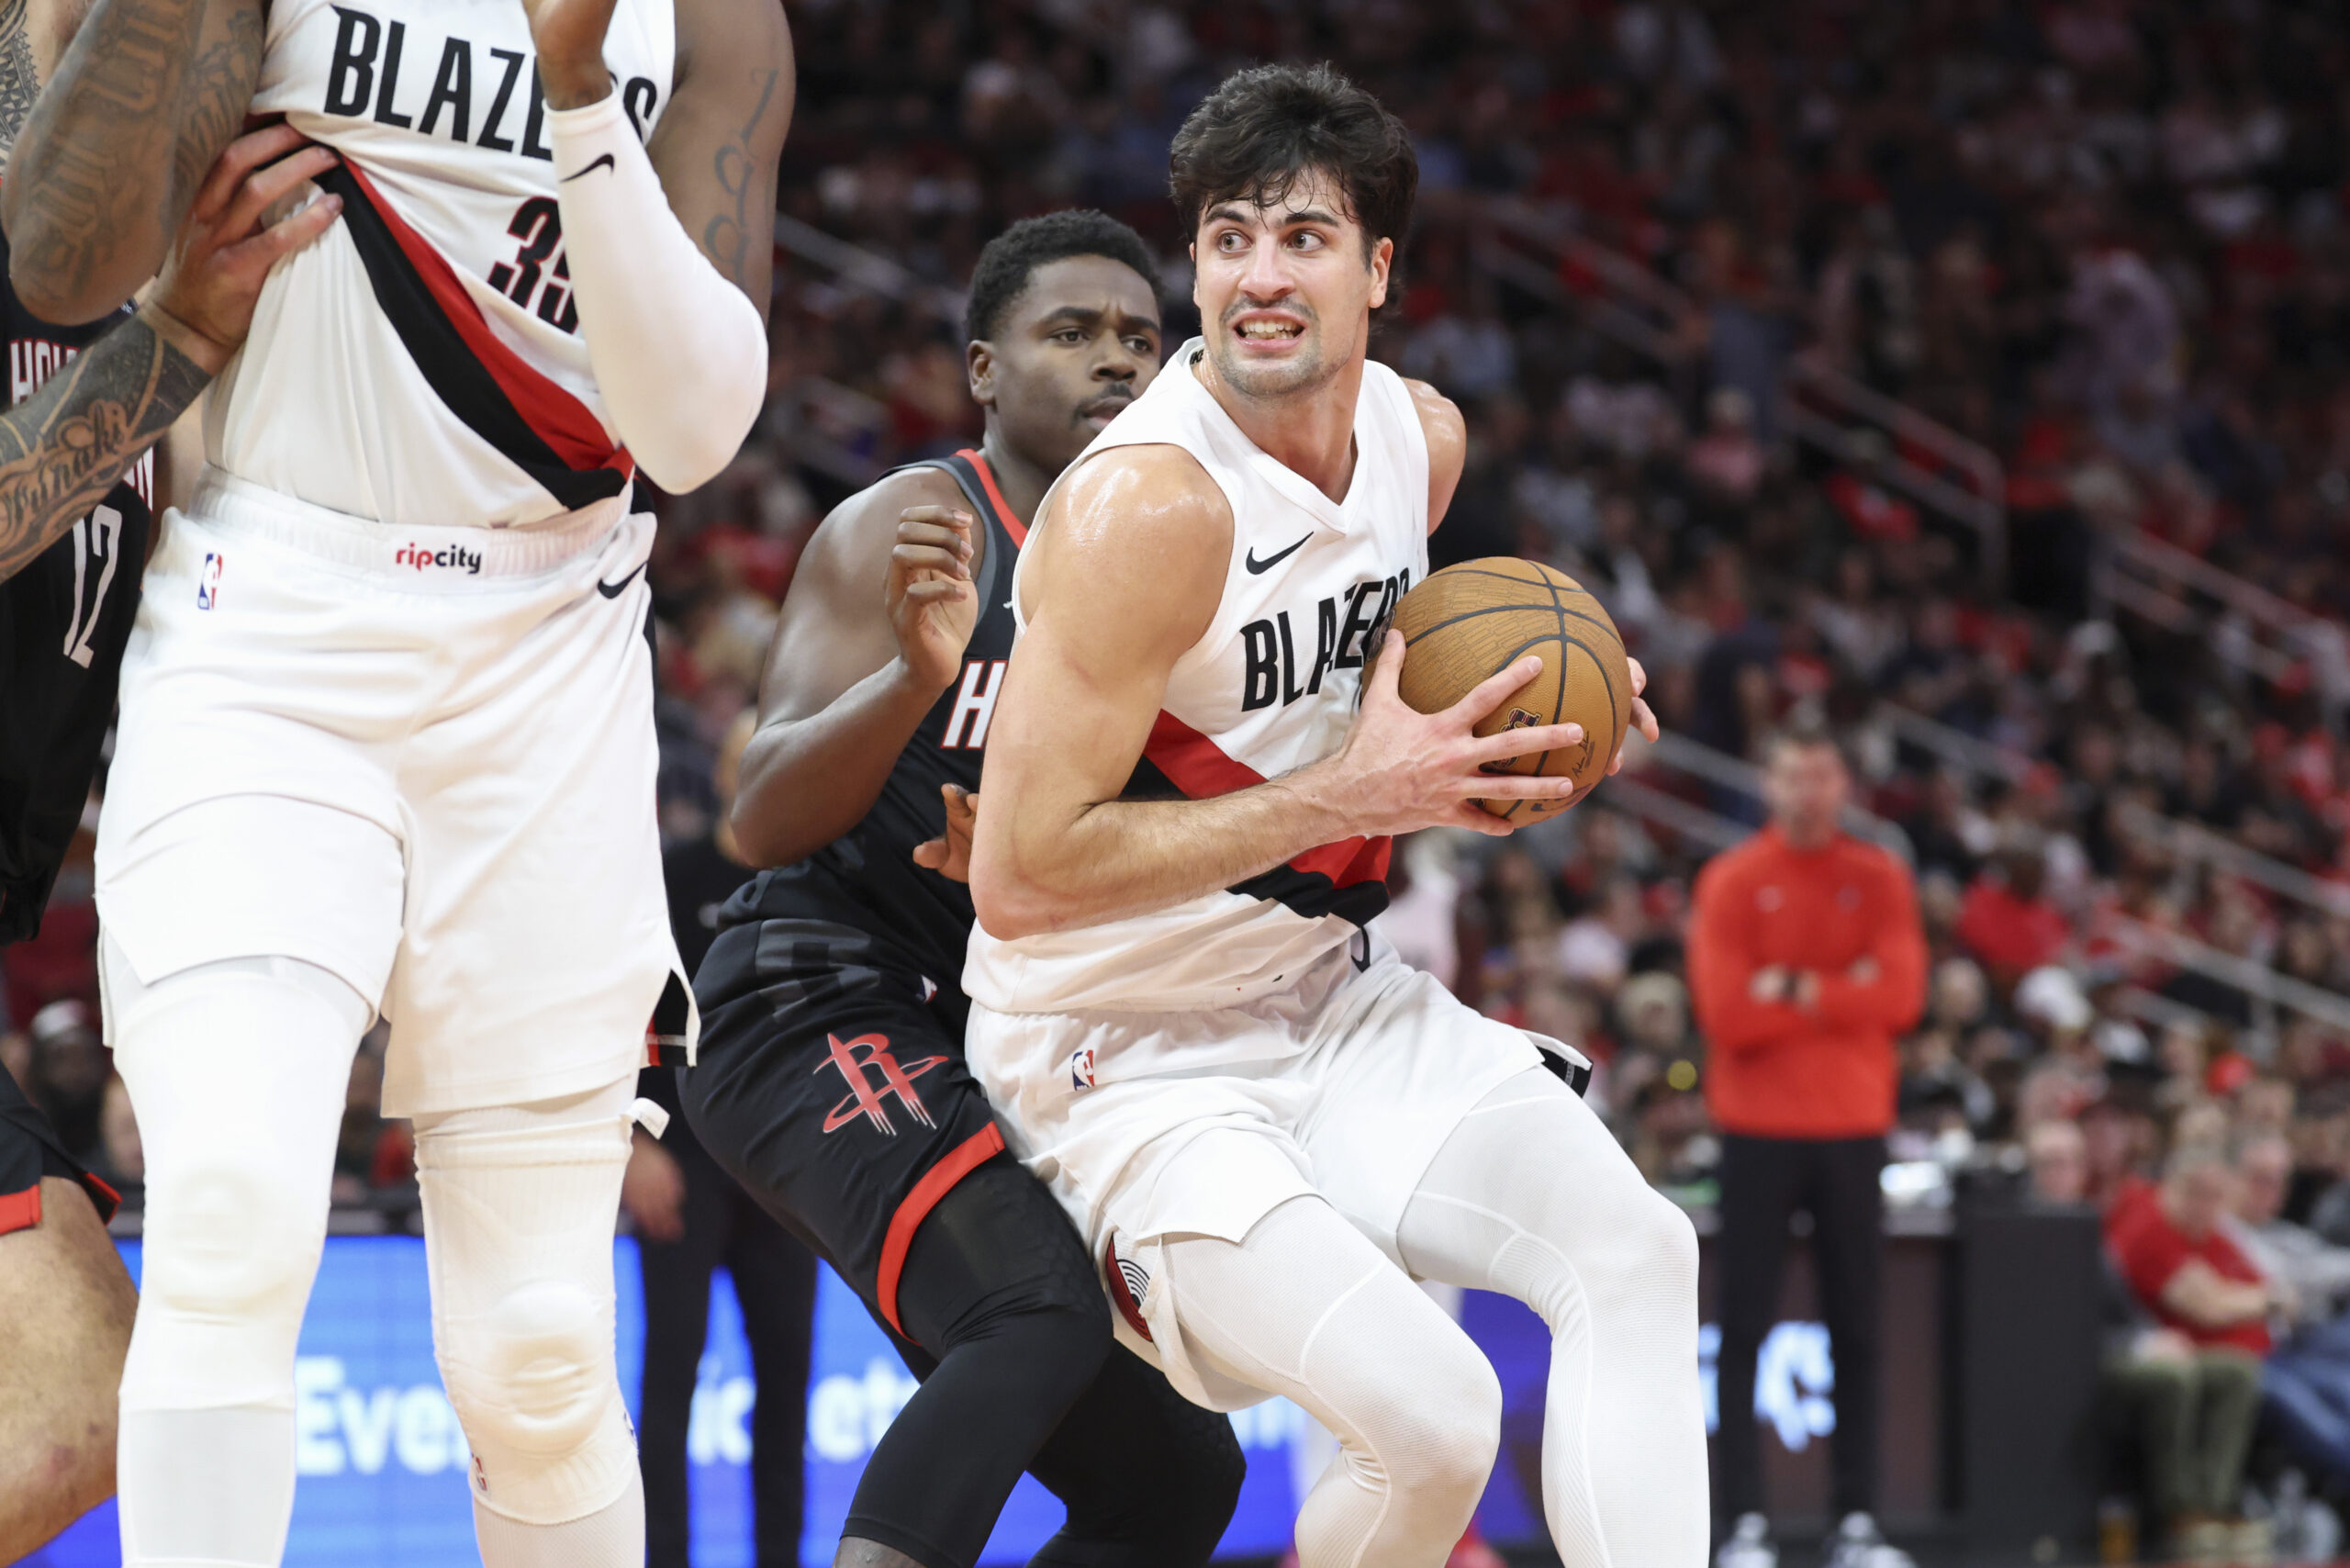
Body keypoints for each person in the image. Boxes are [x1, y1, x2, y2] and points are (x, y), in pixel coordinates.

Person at [6, 0, 790, 1562]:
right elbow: (57, 262)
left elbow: (695, 431)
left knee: (545, 1347)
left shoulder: (712, 14)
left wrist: (577, 88)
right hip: (269, 620)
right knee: (227, 1210)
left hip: (555, 651)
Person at [961, 65, 1702, 1568]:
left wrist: (1570, 702)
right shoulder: (1147, 511)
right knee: (1431, 1418)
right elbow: (1021, 876)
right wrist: (1359, 793)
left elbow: (1429, 658)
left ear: (1381, 272)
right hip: (1124, 1054)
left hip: (1328, 1007)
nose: (1258, 275)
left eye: (1303, 236)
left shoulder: (1421, 441)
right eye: (1228, 237)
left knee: (1638, 1248)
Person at [683, 210, 1246, 1568]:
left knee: (1176, 1475)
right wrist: (916, 683)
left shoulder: (1183, 577)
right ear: (985, 370)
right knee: (1034, 1317)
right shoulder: (916, 524)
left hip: (993, 1031)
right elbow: (756, 820)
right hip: (814, 993)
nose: (1115, 361)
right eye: (1071, 333)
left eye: (1138, 339)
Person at [0, 6, 351, 1551]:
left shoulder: (179, 225)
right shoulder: (159, 304)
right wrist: (182, 342)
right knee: (81, 1382)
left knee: (85, 1395)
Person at [1685, 722, 1928, 1568]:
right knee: (1742, 1327)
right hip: (1754, 1128)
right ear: (1768, 782)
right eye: (1792, 775)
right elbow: (1726, 1015)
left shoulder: (1880, 877)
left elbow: (1901, 997)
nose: (1807, 793)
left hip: (1854, 1128)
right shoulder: (1732, 879)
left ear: (1844, 785)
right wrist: (1841, 991)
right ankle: (1743, 1526)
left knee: (1858, 1326)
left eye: (1821, 776)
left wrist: (1787, 984)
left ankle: (1857, 1523)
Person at [627, 711, 816, 1568]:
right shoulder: (676, 875)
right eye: (746, 757)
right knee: (669, 1384)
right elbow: (629, 1008)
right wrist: (636, 1140)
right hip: (686, 1162)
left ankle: (781, 1557)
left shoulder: (814, 881)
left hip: (784, 1170)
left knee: (786, 1393)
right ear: (727, 772)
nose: (759, 771)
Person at [2107, 1146, 2276, 1554]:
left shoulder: (2212, 1235)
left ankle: (2214, 1506)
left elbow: (2266, 1290)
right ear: (2170, 1186)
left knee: (2240, 1373)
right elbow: (2208, 1306)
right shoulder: (2148, 1226)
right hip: (2136, 1347)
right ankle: (2180, 1512)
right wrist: (2258, 1301)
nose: (2205, 1204)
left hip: (2246, 1353)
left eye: (2215, 1195)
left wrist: (2249, 1298)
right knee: (2181, 1376)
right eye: (2195, 1192)